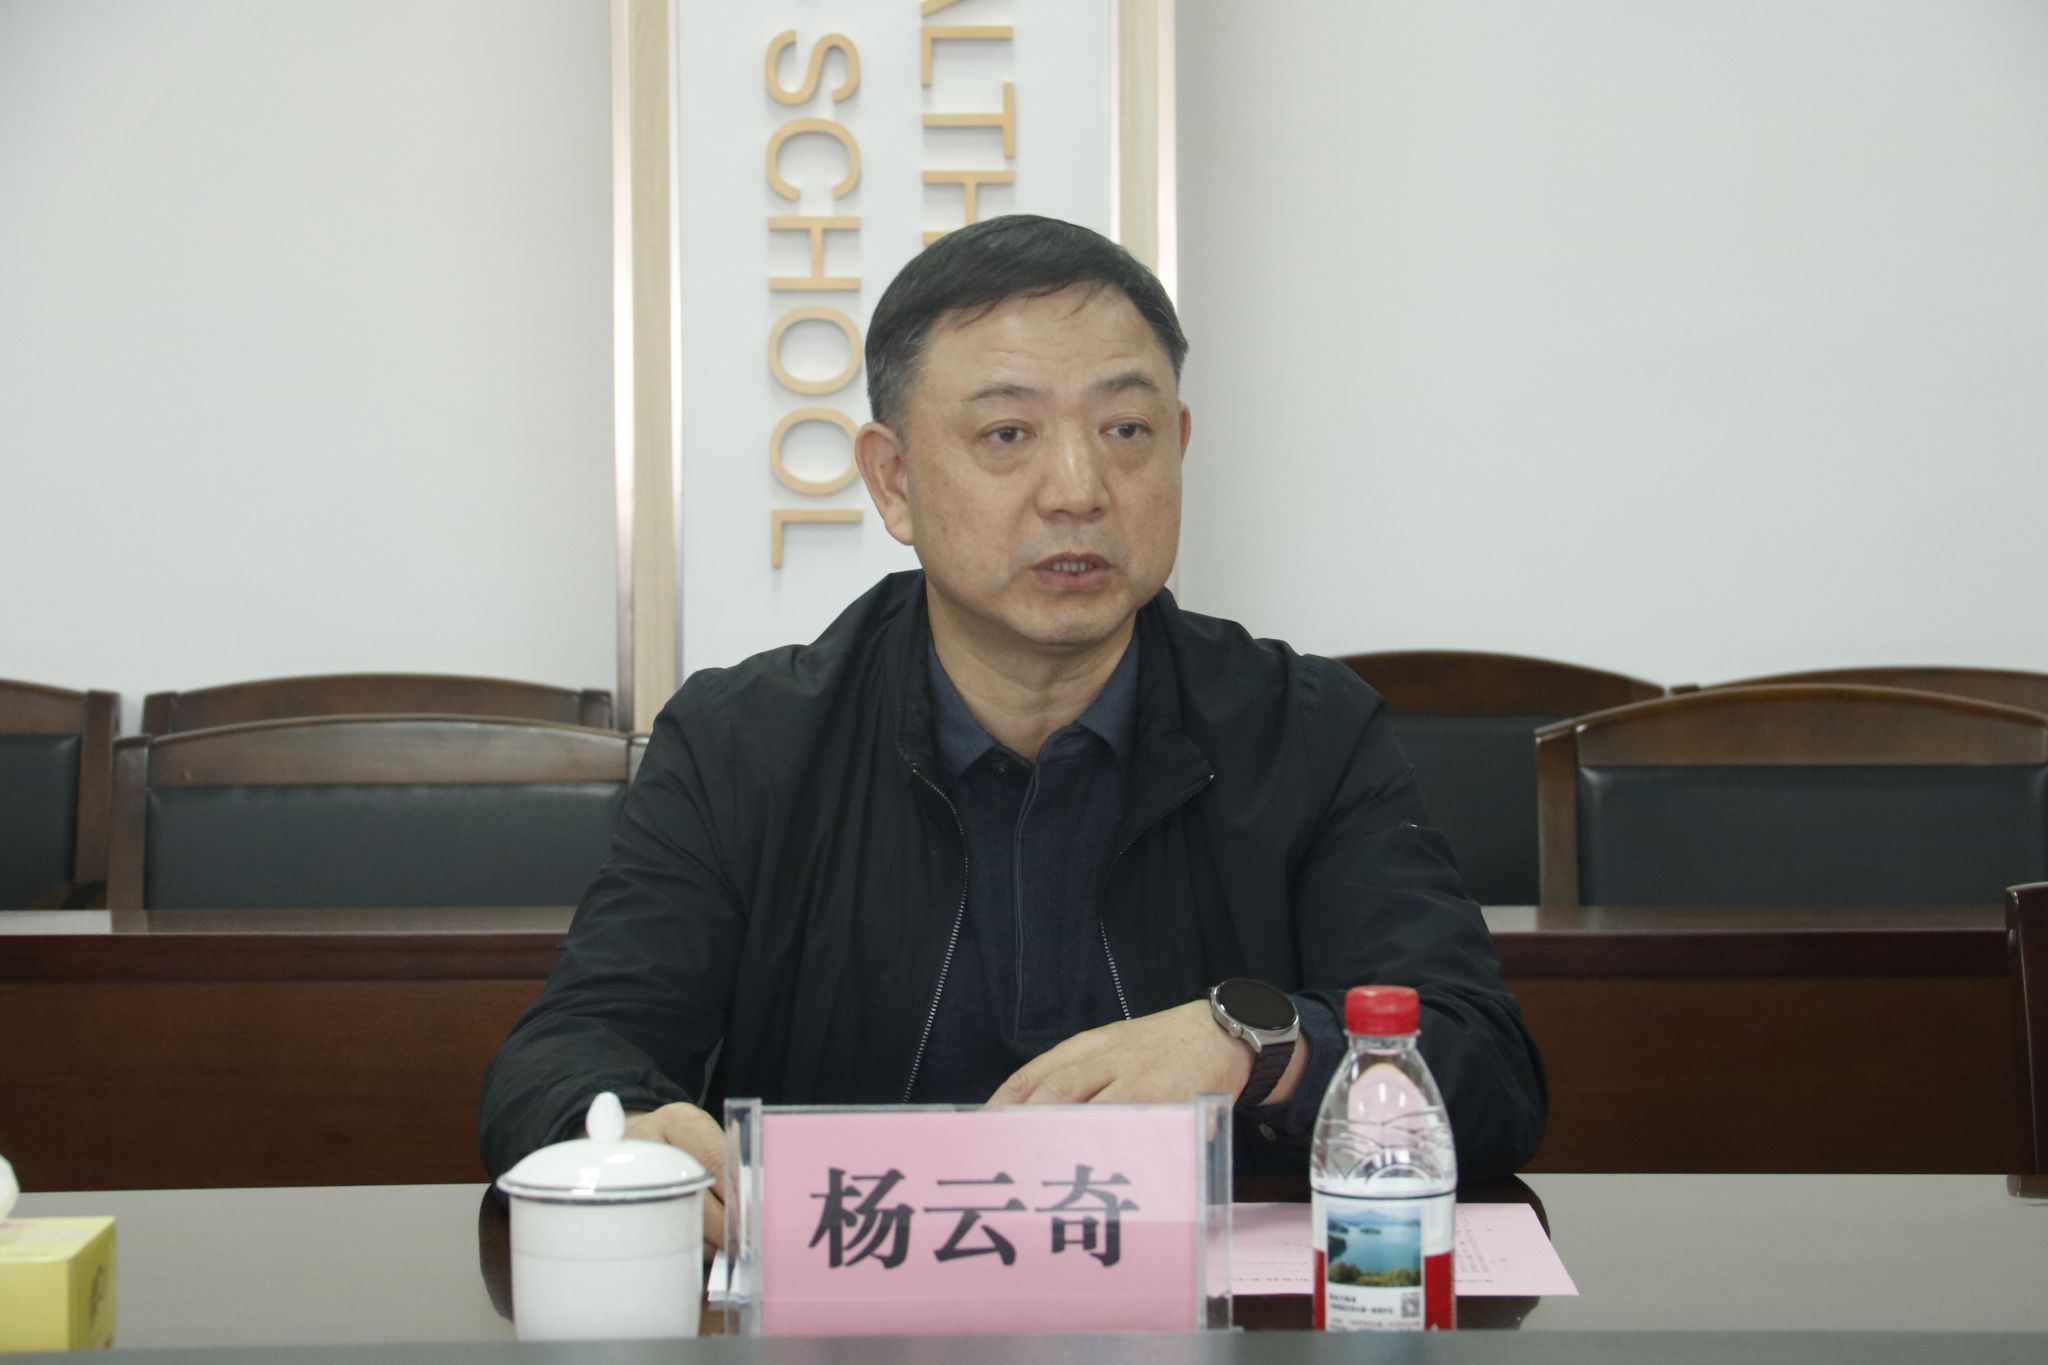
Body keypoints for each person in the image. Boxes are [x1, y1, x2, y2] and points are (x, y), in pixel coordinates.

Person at [480, 215, 1546, 1243]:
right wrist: (629, 1132)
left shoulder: (1303, 733)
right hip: (855, 1321)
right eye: (1006, 435)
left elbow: (1485, 1068)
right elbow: (565, 1054)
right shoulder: (741, 746)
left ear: (1178, 446)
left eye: (1126, 431)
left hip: (1205, 1326)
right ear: (893, 481)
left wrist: (1252, 1049)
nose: (1078, 490)